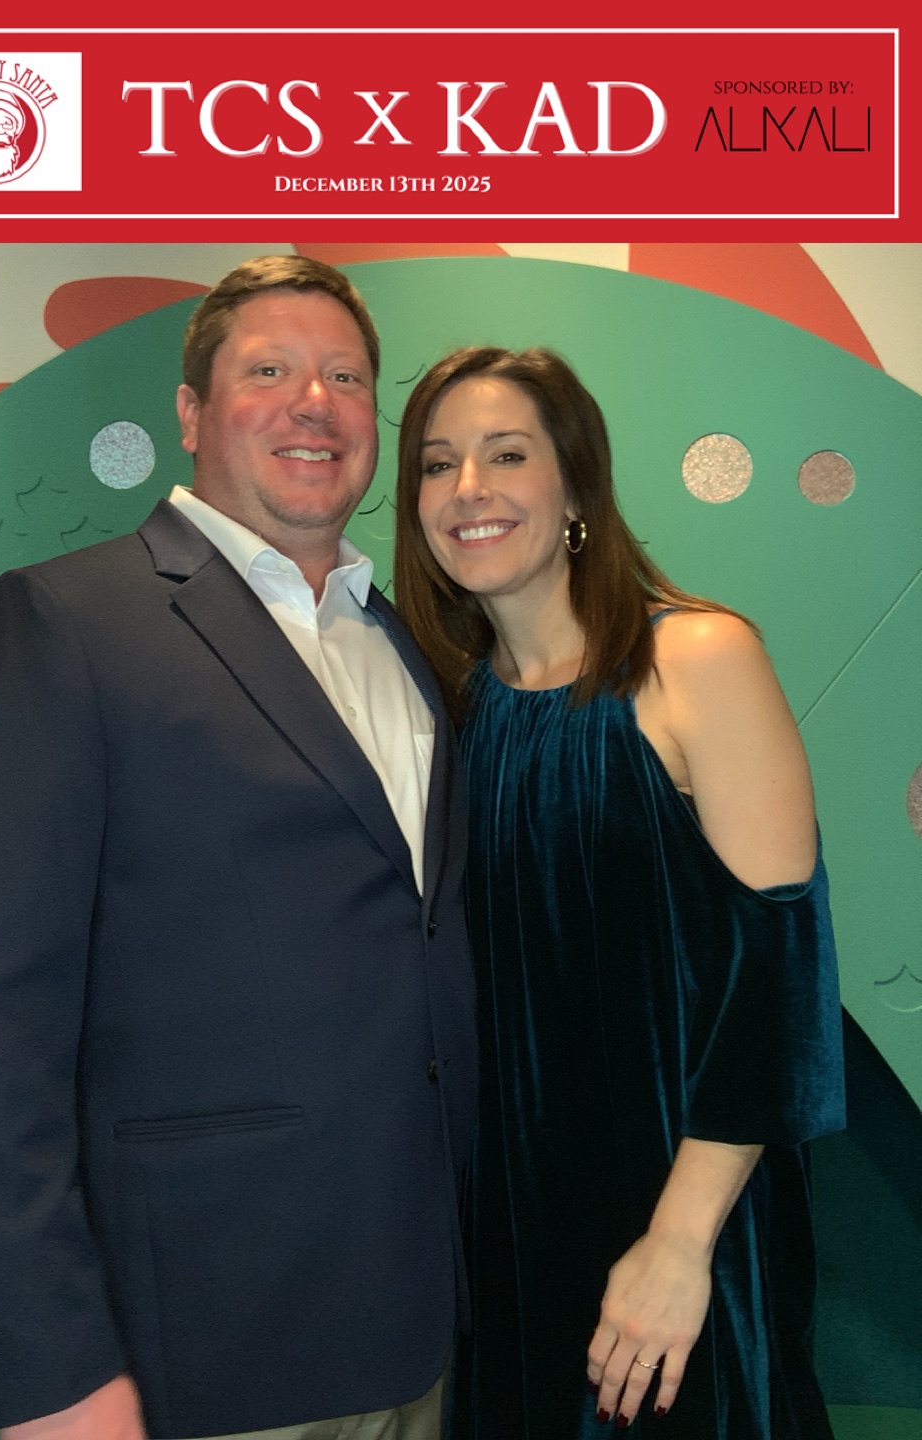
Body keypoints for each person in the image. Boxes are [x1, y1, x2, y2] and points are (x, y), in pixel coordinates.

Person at [0, 257, 477, 1440]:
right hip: (200, 1350)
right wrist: (45, 1366)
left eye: (345, 378)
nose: (313, 403)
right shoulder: (65, 623)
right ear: (192, 412)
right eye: (269, 371)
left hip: (425, 1329)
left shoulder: (407, 642)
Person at [392, 346, 846, 1439]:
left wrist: (678, 1246)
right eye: (439, 464)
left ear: (578, 486)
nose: (469, 489)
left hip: (683, 1220)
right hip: (509, 1224)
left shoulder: (698, 658)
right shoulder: (452, 707)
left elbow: (779, 987)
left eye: (508, 454)